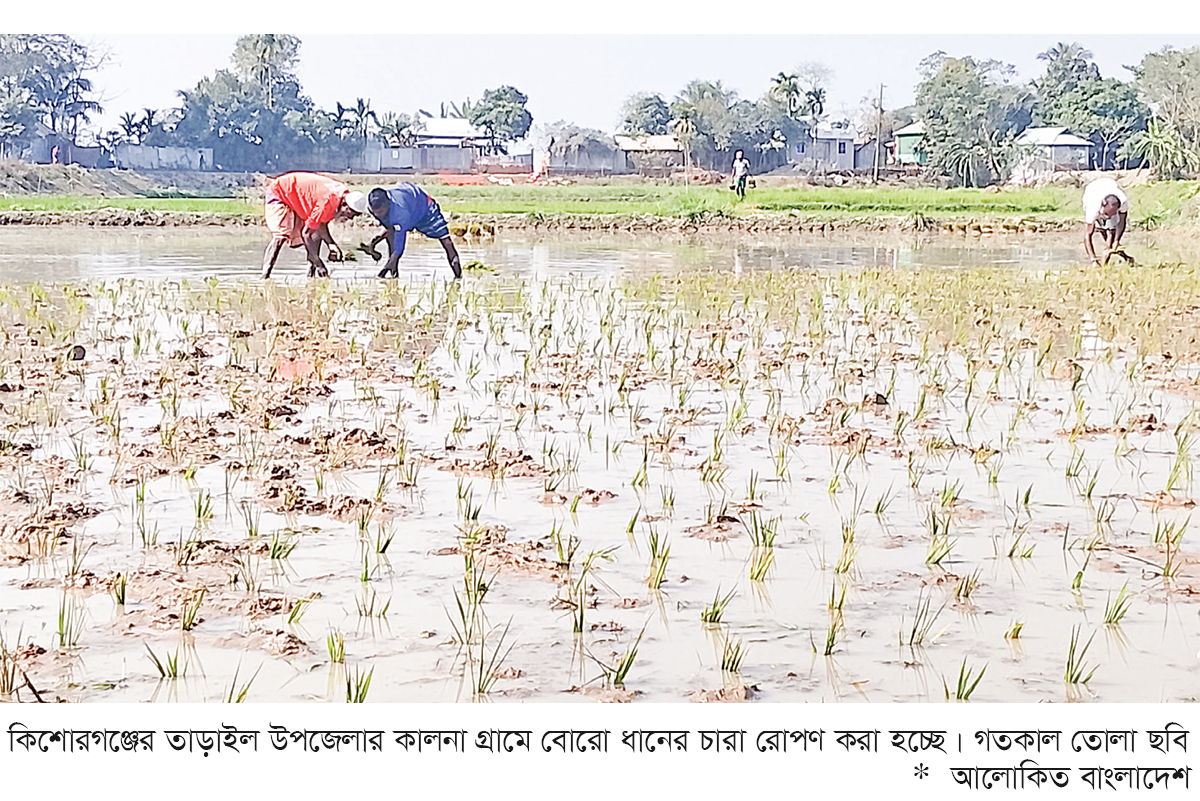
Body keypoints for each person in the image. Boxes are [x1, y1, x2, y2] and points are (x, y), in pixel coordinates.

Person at [261, 171, 367, 279]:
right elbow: (306, 233)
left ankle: (311, 275)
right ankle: (265, 276)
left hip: (295, 197)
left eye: (354, 216)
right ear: (344, 205)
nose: (350, 218)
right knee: (281, 235)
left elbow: (320, 224)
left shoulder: (340, 198)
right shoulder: (326, 202)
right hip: (279, 191)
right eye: (350, 214)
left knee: (315, 234)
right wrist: (318, 262)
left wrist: (331, 244)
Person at [366, 184, 462, 279]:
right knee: (391, 239)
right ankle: (394, 276)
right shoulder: (372, 209)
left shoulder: (400, 213)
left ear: (388, 205)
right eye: (375, 212)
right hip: (408, 205)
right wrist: (373, 244)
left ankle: (458, 278)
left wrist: (387, 266)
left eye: (381, 212)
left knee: (447, 242)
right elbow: (389, 229)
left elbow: (399, 246)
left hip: (425, 208)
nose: (378, 215)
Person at [1082, 176, 1129, 266]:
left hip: (1111, 185)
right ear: (1103, 206)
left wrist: (1116, 240)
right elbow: (1087, 236)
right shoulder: (1092, 207)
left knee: (1112, 230)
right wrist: (1093, 261)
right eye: (1107, 214)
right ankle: (1098, 259)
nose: (1109, 217)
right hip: (1092, 190)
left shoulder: (1123, 202)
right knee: (1100, 230)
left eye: (1112, 214)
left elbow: (1122, 221)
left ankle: (1108, 254)